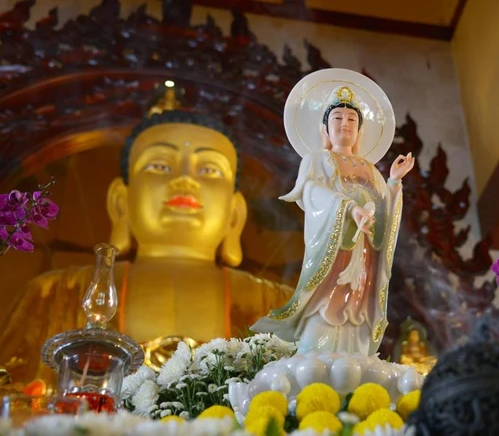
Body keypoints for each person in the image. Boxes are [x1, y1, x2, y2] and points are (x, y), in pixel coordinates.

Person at [0, 110, 293, 387]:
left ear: (235, 213)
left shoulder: (281, 305)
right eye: (160, 166)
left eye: (209, 169)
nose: (185, 180)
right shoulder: (53, 295)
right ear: (120, 202)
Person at [252, 71, 414, 356]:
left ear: (360, 131)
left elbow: (385, 212)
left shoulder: (371, 169)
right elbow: (311, 191)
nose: (345, 124)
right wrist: (349, 208)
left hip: (363, 252)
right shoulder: (318, 159)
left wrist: (393, 182)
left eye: (352, 120)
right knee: (326, 303)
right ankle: (316, 348)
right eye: (337, 118)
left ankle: (357, 353)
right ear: (325, 129)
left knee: (358, 304)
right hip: (333, 245)